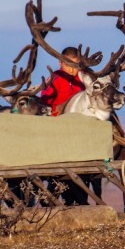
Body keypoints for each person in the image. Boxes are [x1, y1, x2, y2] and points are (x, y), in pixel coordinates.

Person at [40, 47, 89, 205]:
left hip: (79, 136)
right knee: (60, 176)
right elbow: (44, 108)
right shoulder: (52, 81)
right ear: (61, 62)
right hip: (58, 135)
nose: (73, 69)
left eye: (76, 65)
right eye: (69, 65)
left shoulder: (82, 82)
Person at [40, 47, 85, 116]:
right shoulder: (53, 79)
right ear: (60, 63)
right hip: (57, 119)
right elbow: (43, 104)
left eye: (75, 66)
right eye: (67, 65)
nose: (71, 70)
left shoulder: (84, 78)